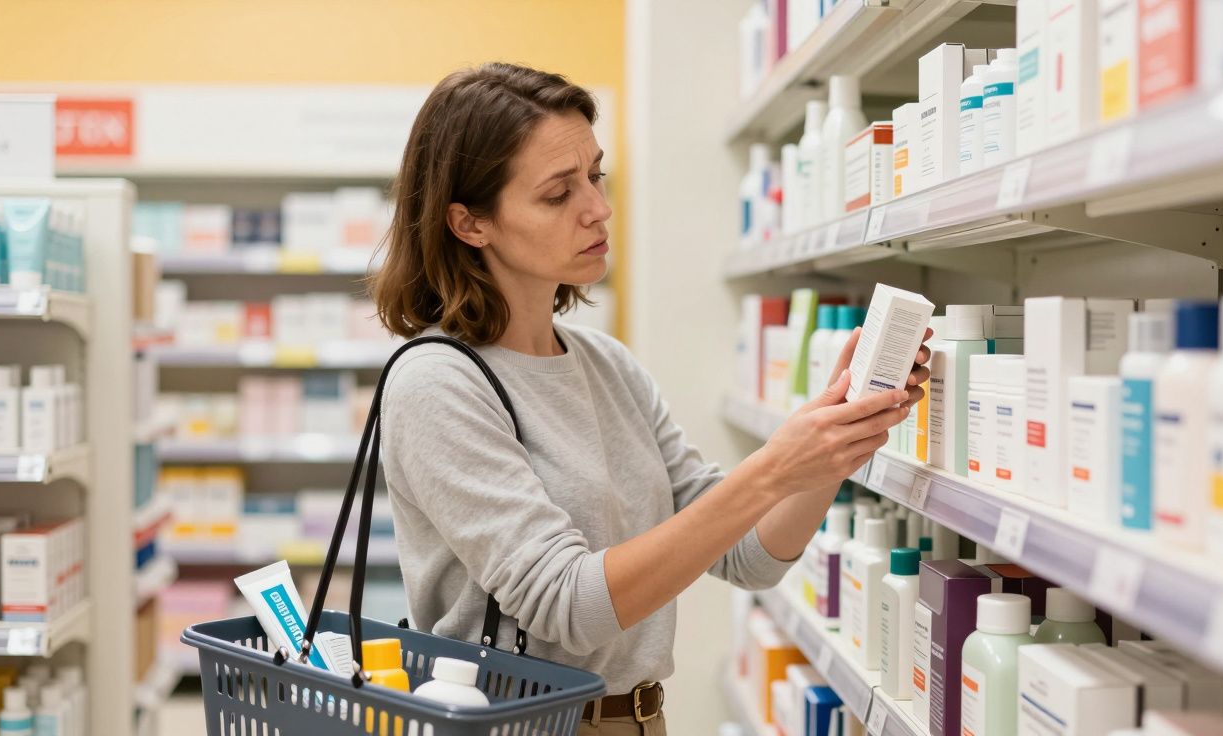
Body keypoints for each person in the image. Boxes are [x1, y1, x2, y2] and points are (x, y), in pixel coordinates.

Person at [370, 62, 930, 735]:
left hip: (638, 720)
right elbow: (569, 606)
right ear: (469, 224)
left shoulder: (606, 364)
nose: (598, 209)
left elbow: (747, 555)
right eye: (557, 194)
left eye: (595, 176)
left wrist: (833, 443)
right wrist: (774, 467)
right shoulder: (437, 383)